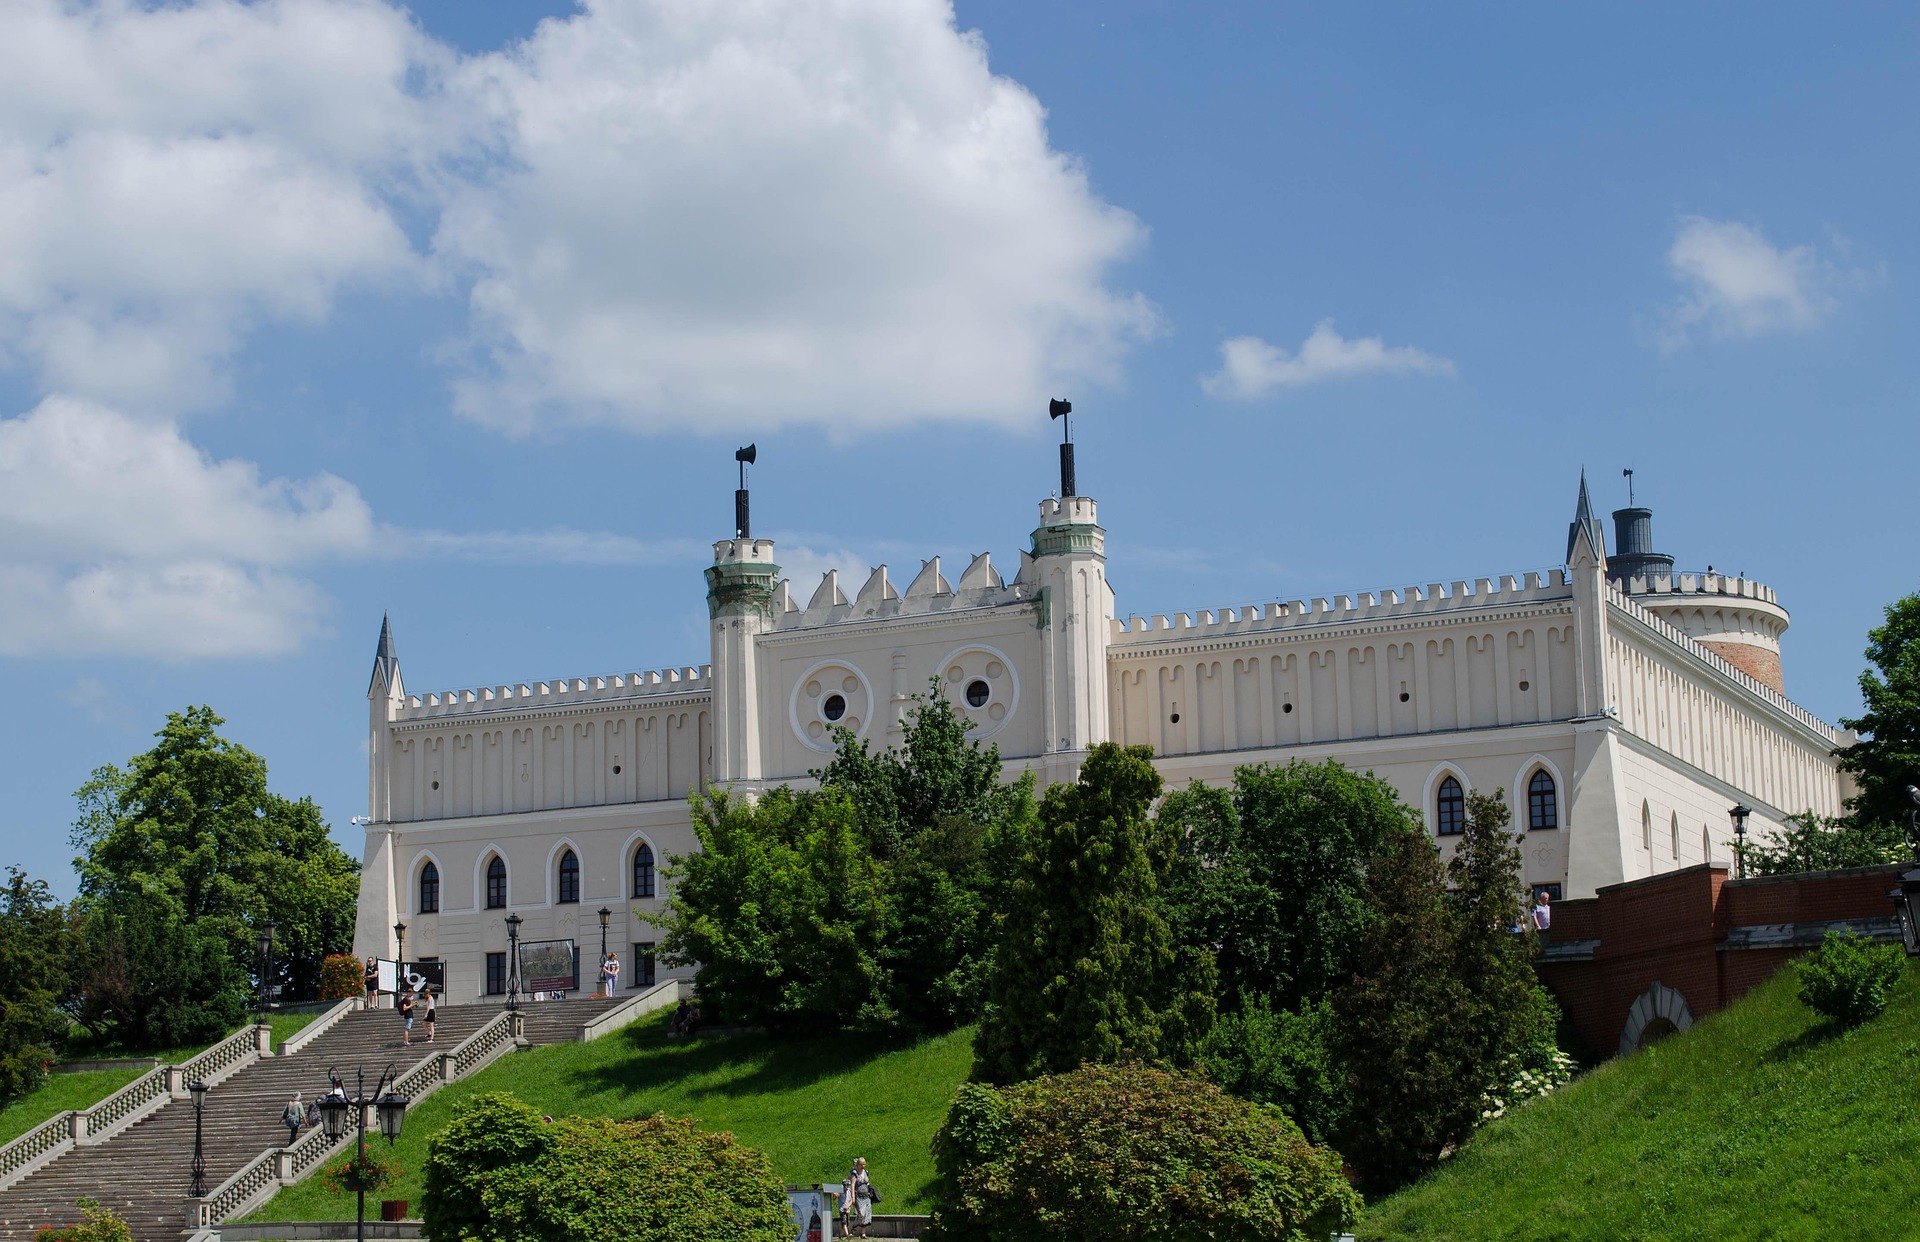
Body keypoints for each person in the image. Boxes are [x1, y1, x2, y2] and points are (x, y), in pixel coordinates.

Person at [840, 1157, 875, 1238]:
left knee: (866, 1214)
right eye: (861, 1164)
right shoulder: (854, 1173)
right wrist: (853, 1198)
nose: (863, 1166)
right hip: (858, 1196)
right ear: (858, 1165)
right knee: (861, 1214)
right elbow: (852, 1186)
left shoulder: (866, 1172)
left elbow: (867, 1182)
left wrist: (870, 1189)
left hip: (866, 1196)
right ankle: (854, 1229)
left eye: (864, 1164)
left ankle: (863, 1233)